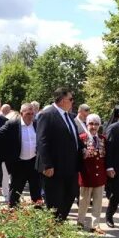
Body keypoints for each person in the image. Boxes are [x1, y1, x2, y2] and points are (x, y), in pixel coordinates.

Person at [36, 88, 83, 220]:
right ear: (63, 100)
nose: (73, 102)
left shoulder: (69, 116)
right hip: (54, 168)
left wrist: (83, 149)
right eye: (71, 99)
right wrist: (47, 165)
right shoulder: (47, 114)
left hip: (70, 167)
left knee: (70, 195)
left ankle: (59, 225)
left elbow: (74, 138)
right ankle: (53, 230)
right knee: (54, 202)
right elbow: (42, 141)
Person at [0, 103, 41, 207]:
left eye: (32, 113)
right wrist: (7, 153)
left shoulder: (37, 124)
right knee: (15, 191)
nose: (31, 116)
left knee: (36, 190)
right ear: (21, 113)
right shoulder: (13, 124)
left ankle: (38, 215)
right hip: (19, 163)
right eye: (28, 114)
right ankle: (11, 212)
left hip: (34, 162)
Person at [77, 113, 107, 233]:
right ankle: (80, 222)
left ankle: (95, 225)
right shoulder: (82, 138)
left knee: (98, 201)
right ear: (86, 124)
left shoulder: (103, 139)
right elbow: (77, 156)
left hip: (99, 174)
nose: (93, 126)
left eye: (96, 124)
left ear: (99, 125)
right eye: (91, 124)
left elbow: (106, 156)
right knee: (84, 200)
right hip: (86, 174)